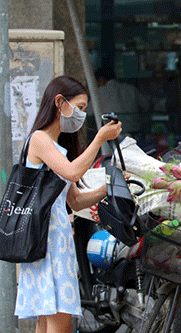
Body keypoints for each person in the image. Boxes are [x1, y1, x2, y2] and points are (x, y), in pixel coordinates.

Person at [14, 76, 122, 333]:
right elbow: (73, 172)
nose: (81, 114)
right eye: (80, 107)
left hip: (57, 240)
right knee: (59, 321)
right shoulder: (39, 139)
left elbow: (74, 200)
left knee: (49, 322)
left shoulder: (58, 148)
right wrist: (99, 138)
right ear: (59, 102)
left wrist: (112, 186)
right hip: (45, 242)